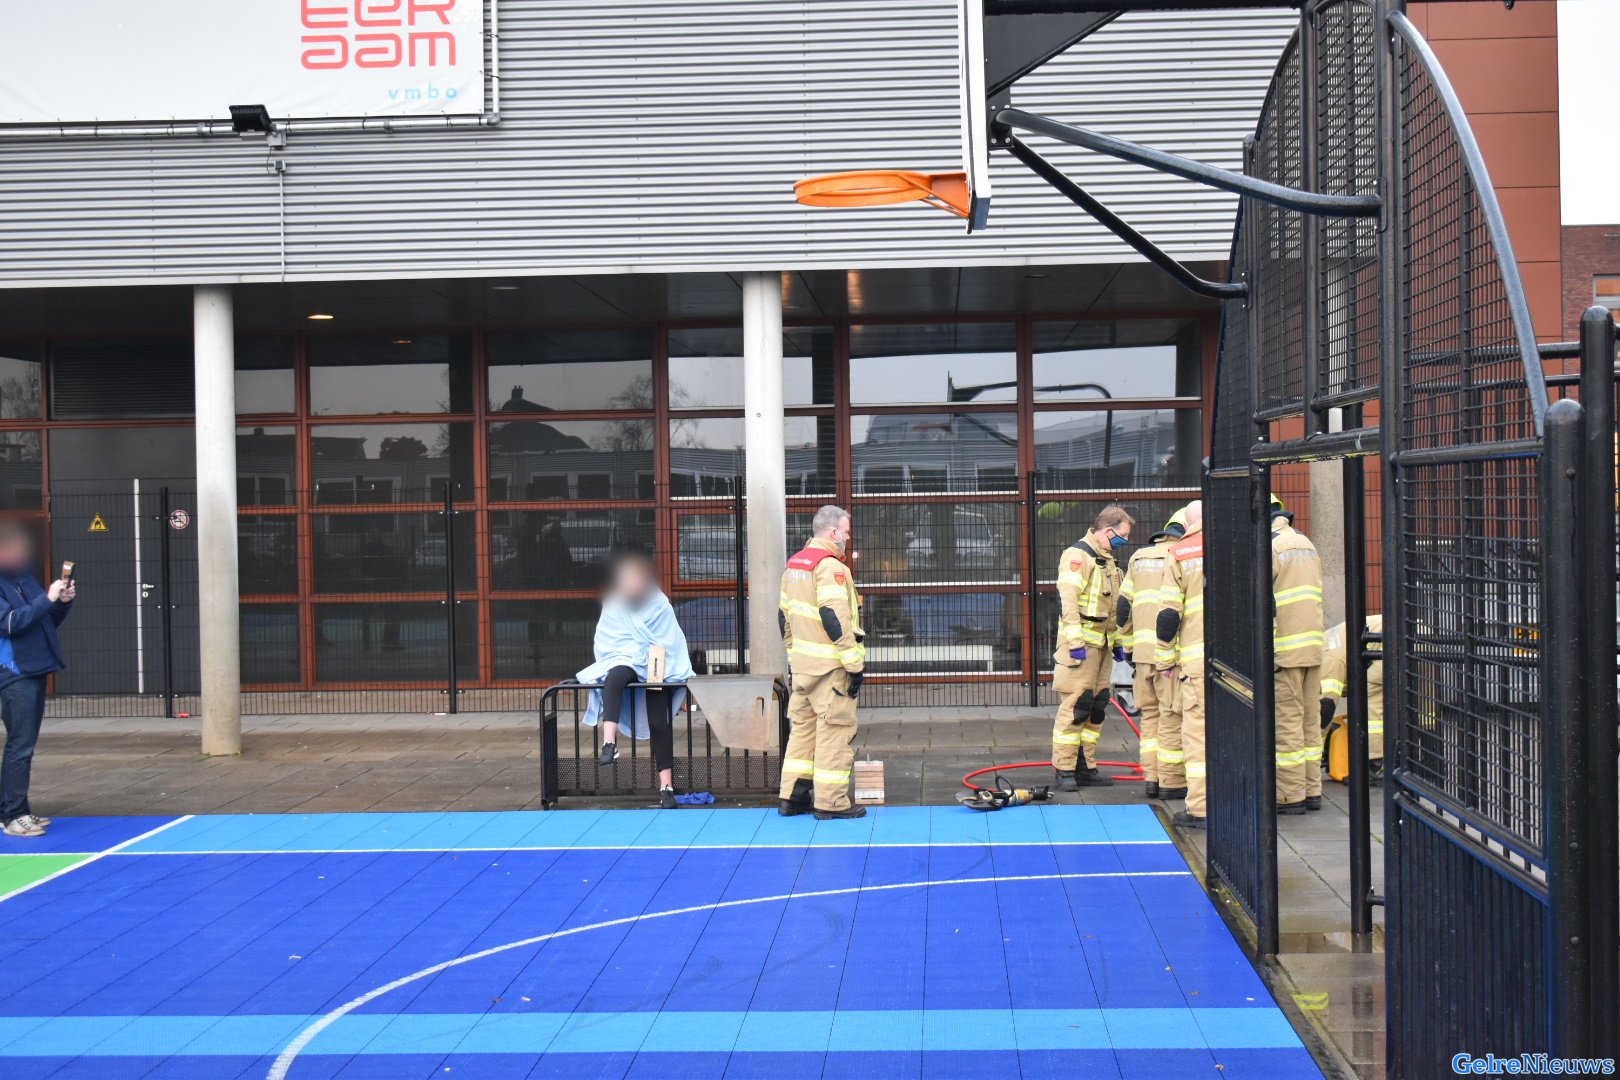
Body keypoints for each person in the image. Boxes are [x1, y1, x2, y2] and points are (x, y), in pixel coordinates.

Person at [577, 550, 692, 809]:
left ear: (644, 581)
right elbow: (608, 639)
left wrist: (664, 665)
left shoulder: (659, 603)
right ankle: (609, 743)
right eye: (625, 581)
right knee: (614, 677)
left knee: (659, 723)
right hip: (625, 658)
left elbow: (670, 639)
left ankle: (666, 788)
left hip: (656, 663)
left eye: (635, 581)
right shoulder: (613, 602)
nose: (630, 586)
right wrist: (628, 655)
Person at [777, 504, 866, 820]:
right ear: (831, 532)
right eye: (845, 531)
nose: (846, 537)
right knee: (834, 732)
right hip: (830, 669)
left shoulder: (795, 565)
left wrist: (792, 655)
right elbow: (835, 617)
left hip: (802, 667)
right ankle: (831, 802)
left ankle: (792, 798)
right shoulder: (831, 567)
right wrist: (853, 664)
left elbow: (783, 616)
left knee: (802, 733)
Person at [0, 521, 74, 838]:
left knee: (23, 745)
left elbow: (43, 619)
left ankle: (19, 810)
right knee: (20, 746)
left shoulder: (22, 578)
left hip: (34, 667)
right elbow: (11, 623)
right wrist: (47, 599)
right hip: (15, 673)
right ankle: (13, 815)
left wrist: (61, 603)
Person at [1051, 505, 1133, 791]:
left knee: (1096, 707)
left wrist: (1119, 642)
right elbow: (1067, 602)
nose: (1124, 542)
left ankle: (1086, 766)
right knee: (1077, 704)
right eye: (1122, 536)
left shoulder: (1107, 560)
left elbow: (1113, 608)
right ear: (1107, 531)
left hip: (1102, 646)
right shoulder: (1079, 556)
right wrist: (1074, 643)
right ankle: (1064, 768)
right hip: (1081, 647)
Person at [1115, 506, 1187, 799]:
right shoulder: (1184, 558)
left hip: (1143, 656)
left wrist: (1129, 648)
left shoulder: (1138, 558)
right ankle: (1171, 783)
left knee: (1150, 717)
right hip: (1172, 656)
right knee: (1172, 717)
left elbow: (1123, 609)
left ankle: (1152, 778)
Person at [1271, 495, 1326, 814]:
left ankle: (1290, 796)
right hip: (1312, 647)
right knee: (1309, 721)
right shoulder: (1306, 543)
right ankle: (1312, 789)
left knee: (1288, 724)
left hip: (1285, 651)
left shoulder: (1272, 546)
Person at [1156, 500, 1205, 828]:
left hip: (1199, 661)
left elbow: (1169, 615)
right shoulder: (1242, 543)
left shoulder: (1181, 553)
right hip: (1244, 662)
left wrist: (1165, 661)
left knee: (1198, 735)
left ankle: (1201, 808)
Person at [1320, 614, 1384, 783]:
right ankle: (1426, 759)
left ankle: (1374, 764)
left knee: (1367, 692)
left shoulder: (1327, 661)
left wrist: (1314, 751)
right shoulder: (1324, 644)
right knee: (1417, 708)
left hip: (1395, 641)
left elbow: (1324, 709)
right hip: (1415, 635)